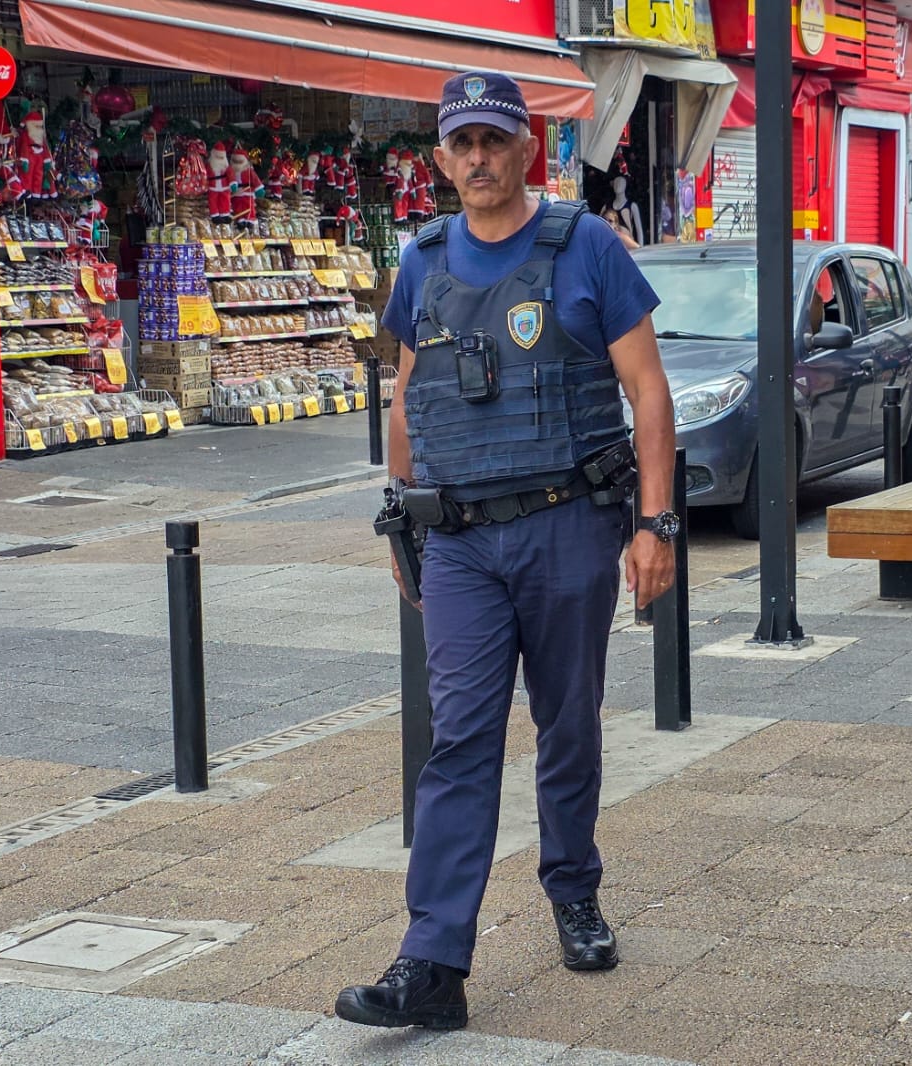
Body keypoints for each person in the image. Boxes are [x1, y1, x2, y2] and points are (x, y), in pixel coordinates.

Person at [334, 70, 677, 1030]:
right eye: (461, 144)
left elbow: (648, 391)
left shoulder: (587, 246)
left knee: (567, 724)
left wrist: (655, 525)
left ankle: (572, 892)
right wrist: (398, 512)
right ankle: (432, 961)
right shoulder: (423, 259)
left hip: (567, 524)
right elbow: (407, 394)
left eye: (494, 140)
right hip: (459, 545)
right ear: (440, 158)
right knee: (458, 743)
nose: (478, 159)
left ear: (527, 147)